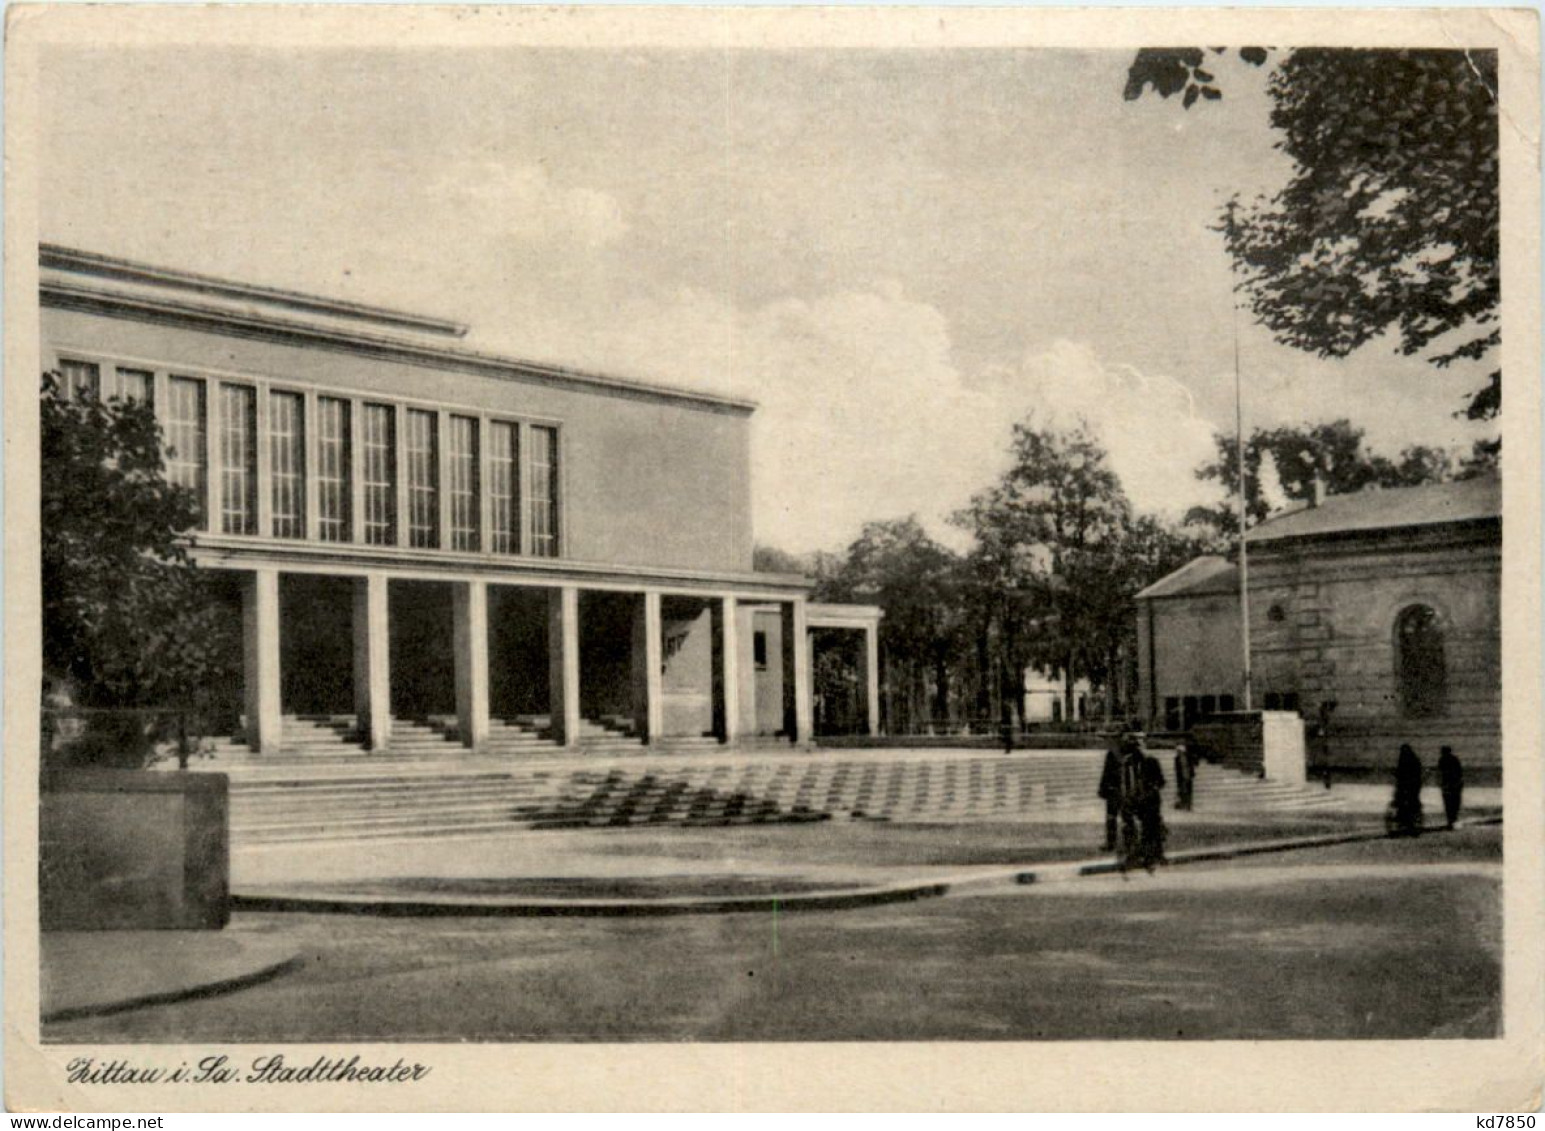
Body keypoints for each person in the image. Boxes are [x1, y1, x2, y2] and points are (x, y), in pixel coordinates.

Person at [1390, 743, 1424, 836]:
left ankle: (1405, 823)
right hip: (1411, 786)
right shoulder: (1414, 760)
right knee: (1409, 804)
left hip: (1408, 786)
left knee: (1404, 803)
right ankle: (1409, 824)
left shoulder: (1404, 760)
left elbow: (1400, 774)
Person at [1097, 739, 1123, 851]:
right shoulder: (1127, 752)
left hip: (1114, 790)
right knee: (1124, 817)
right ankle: (1127, 842)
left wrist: (1103, 788)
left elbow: (1106, 773)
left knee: (1111, 816)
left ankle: (1111, 842)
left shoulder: (1112, 754)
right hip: (1122, 789)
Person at [1438, 745, 1464, 830]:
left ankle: (1450, 820)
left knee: (1448, 803)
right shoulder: (1454, 759)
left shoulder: (1442, 760)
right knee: (1455, 802)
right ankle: (1453, 819)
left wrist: (1441, 784)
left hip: (1447, 785)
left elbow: (1440, 773)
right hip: (1455, 785)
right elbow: (1460, 772)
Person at [1173, 738, 1196, 811]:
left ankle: (1187, 804)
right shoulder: (1177, 759)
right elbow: (1177, 769)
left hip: (1187, 776)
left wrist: (1192, 773)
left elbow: (1191, 766)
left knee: (1187, 790)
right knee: (1183, 790)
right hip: (1182, 776)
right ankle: (1184, 804)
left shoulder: (1187, 757)